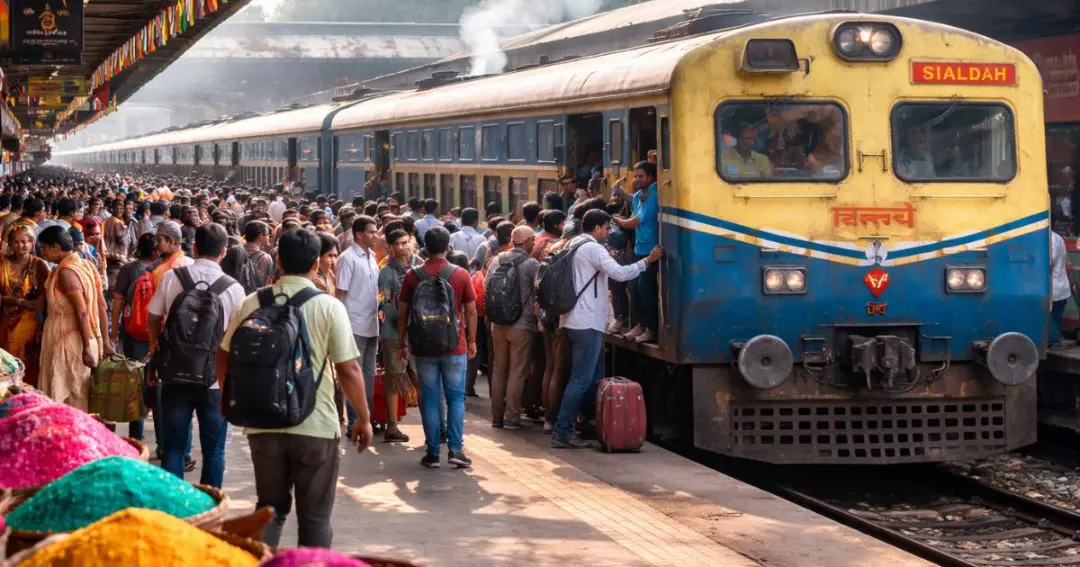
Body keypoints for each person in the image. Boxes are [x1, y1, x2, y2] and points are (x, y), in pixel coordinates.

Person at [219, 228, 373, 549]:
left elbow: (224, 355)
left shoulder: (252, 302)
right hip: (315, 424)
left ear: (279, 262)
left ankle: (259, 559)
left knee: (269, 510)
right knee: (315, 518)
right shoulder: (328, 306)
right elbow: (348, 369)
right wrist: (363, 418)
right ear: (316, 263)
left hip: (262, 423)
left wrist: (229, 397)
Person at [147, 223, 245, 488]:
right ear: (223, 252)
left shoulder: (173, 278)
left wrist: (155, 350)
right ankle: (208, 505)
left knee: (174, 447)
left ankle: (174, 504)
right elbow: (238, 336)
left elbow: (153, 316)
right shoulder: (234, 288)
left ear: (194, 247)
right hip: (215, 380)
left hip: (174, 374)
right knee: (214, 450)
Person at [553, 210, 662, 448]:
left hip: (571, 320)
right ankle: (563, 430)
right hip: (587, 322)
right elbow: (620, 274)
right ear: (596, 228)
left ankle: (588, 424)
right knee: (580, 379)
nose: (609, 232)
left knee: (591, 378)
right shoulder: (593, 249)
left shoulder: (573, 243)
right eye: (606, 227)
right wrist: (647, 261)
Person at [397, 226, 477, 469]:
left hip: (423, 346)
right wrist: (472, 340)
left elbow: (403, 312)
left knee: (430, 399)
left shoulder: (413, 276)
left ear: (425, 248)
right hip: (454, 345)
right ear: (447, 247)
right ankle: (456, 450)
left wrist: (402, 343)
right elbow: (471, 310)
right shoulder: (460, 274)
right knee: (456, 399)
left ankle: (432, 453)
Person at [37, 225, 113, 411]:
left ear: (56, 247)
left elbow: (82, 312)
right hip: (82, 337)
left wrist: (86, 347)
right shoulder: (86, 264)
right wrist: (105, 341)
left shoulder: (66, 272)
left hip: (70, 342)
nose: (42, 252)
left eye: (44, 248)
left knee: (68, 396)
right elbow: (101, 306)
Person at [488, 226, 540, 430]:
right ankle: (512, 417)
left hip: (498, 323)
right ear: (525, 241)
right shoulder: (532, 264)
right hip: (522, 325)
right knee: (517, 372)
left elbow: (487, 287)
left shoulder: (497, 260)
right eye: (532, 240)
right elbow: (539, 294)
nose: (534, 243)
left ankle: (496, 416)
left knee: (499, 370)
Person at [376, 229, 423, 443]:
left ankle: (432, 426)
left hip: (418, 332)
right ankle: (392, 427)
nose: (403, 247)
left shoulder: (420, 265)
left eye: (406, 242)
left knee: (421, 380)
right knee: (394, 380)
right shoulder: (386, 272)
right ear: (391, 247)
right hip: (393, 332)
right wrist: (403, 319)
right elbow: (385, 303)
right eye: (398, 243)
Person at [336, 215, 380, 429]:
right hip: (353, 324)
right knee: (355, 375)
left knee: (369, 374)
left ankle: (366, 418)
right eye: (371, 232)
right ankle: (355, 421)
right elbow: (340, 293)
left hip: (372, 324)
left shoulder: (372, 256)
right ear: (359, 234)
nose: (375, 235)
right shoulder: (347, 258)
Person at [614, 161, 661, 344]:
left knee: (645, 289)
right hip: (639, 248)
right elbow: (634, 215)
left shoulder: (655, 195)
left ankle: (651, 328)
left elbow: (637, 221)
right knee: (634, 287)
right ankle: (640, 324)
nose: (637, 180)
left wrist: (620, 222)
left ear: (651, 177)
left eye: (641, 176)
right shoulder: (638, 196)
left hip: (651, 249)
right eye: (636, 176)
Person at [0, 224, 49, 387]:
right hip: (4, 323)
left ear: (33, 243)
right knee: (7, 364)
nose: (22, 245)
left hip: (31, 325)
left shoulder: (39, 265)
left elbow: (46, 295)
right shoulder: (2, 264)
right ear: (10, 243)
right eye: (17, 242)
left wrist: (36, 304)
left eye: (26, 241)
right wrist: (19, 302)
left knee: (29, 366)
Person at [1050, 224, 1077, 348]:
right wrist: (1072, 283)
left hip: (1052, 288)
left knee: (1050, 317)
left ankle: (1052, 342)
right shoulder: (1059, 238)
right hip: (1062, 288)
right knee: (1056, 316)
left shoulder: (1047, 239)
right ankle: (1054, 340)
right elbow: (1068, 264)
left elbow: (1050, 263)